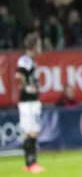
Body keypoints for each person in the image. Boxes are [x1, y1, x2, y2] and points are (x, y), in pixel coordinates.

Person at [15, 32, 46, 173]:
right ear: (33, 46)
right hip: (28, 101)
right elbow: (18, 75)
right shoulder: (25, 60)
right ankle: (32, 163)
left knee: (31, 131)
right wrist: (27, 87)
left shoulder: (31, 61)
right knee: (32, 131)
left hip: (31, 101)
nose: (40, 48)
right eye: (39, 45)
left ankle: (29, 164)